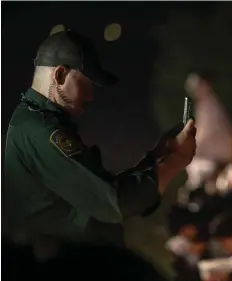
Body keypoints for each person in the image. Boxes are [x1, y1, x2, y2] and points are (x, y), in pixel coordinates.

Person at [3, 30, 197, 260]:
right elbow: (115, 203)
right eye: (86, 84)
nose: (90, 96)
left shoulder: (35, 122)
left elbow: (104, 191)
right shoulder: (42, 130)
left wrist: (158, 156)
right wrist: (175, 161)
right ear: (60, 74)